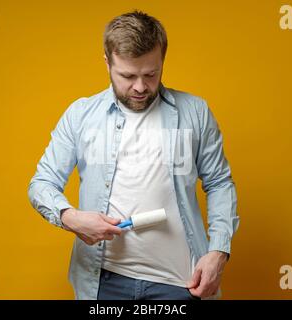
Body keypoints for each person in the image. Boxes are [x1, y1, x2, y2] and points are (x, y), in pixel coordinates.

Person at [28, 10, 240, 300]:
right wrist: (70, 217)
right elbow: (42, 183)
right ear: (107, 62)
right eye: (128, 75)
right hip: (102, 284)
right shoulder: (80, 116)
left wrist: (218, 251)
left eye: (151, 74)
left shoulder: (195, 112)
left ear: (162, 61)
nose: (140, 87)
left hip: (181, 283)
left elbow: (219, 184)